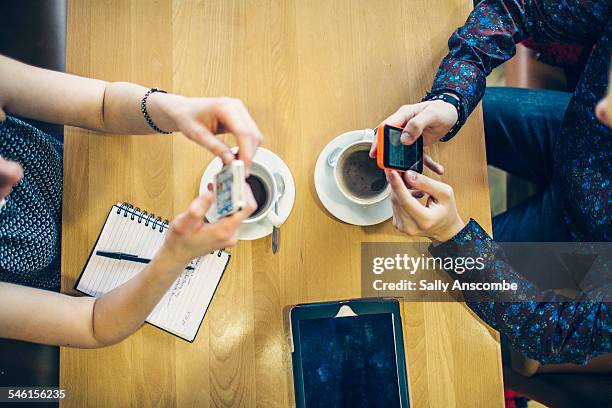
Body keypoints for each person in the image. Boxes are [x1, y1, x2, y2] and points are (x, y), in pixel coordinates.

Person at [375, 0, 611, 364]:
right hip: (568, 134)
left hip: (580, 240)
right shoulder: (599, 116)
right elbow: (517, 7)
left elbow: (553, 333)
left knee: (407, 275)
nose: (604, 110)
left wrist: (455, 238)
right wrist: (452, 98)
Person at [0, 54, 260, 347]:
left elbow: (101, 104)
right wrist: (174, 256)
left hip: (91, 170)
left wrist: (177, 109)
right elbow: (92, 325)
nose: (12, 172)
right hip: (95, 285)